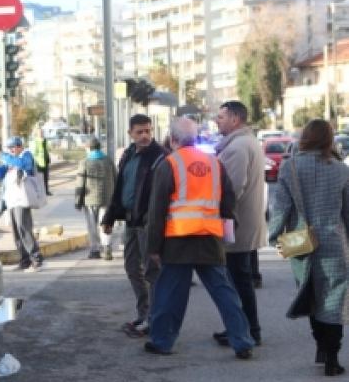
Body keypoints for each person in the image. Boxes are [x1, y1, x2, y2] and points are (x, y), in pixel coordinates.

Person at [143, 117, 255, 359]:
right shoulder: (214, 163)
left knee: (170, 295)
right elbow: (228, 200)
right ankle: (242, 341)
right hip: (209, 239)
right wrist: (228, 227)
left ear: (173, 140)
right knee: (225, 293)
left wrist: (153, 247)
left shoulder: (169, 164)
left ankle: (163, 341)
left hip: (178, 240)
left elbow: (157, 210)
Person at [268, 119, 349, 376]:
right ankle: (332, 357)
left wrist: (274, 238)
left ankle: (321, 347)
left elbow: (280, 207)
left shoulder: (289, 168)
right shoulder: (341, 170)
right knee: (334, 300)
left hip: (300, 246)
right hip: (335, 245)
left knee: (311, 297)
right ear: (328, 139)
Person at [102, 114, 166, 338]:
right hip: (130, 220)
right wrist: (109, 217)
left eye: (148, 131)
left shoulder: (160, 156)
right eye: (139, 132)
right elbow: (120, 188)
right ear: (130, 133)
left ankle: (154, 319)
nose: (145, 136)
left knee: (152, 271)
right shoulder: (128, 155)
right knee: (132, 268)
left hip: (149, 222)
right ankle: (144, 313)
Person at [212, 101, 266, 347]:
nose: (217, 120)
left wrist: (216, 216)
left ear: (235, 119)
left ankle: (249, 330)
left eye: (221, 117)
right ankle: (240, 326)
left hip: (237, 225)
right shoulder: (244, 142)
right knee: (237, 279)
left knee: (238, 280)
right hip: (244, 222)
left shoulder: (238, 147)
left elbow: (231, 190)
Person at [0, 136, 43, 272]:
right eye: (9, 148)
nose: (12, 150)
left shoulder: (26, 156)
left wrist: (3, 154)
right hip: (11, 200)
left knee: (24, 228)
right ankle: (24, 259)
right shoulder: (9, 162)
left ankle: (36, 259)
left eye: (14, 147)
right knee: (16, 232)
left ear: (20, 146)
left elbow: (22, 165)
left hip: (22, 200)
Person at [75, 137, 117, 259]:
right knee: (106, 223)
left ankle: (95, 250)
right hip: (107, 198)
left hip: (90, 200)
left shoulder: (85, 162)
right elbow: (116, 178)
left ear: (89, 148)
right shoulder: (108, 161)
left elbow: (80, 184)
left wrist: (78, 201)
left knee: (92, 225)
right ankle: (107, 247)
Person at [31, 127, 52, 195]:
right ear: (37, 133)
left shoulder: (45, 140)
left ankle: (46, 191)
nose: (41, 133)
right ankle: (39, 191)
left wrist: (48, 157)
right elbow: (34, 153)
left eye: (42, 132)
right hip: (39, 162)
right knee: (39, 178)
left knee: (46, 177)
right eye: (40, 132)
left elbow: (47, 150)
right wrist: (37, 160)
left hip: (45, 161)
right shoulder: (35, 141)